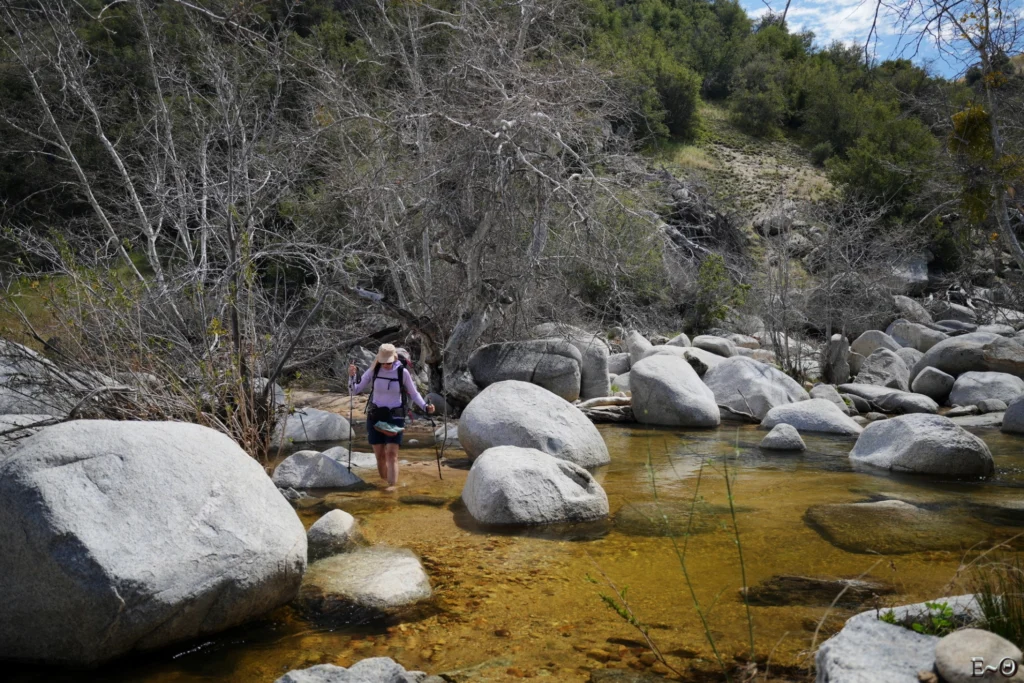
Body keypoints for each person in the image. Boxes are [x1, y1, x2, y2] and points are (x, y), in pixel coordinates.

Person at [349, 343, 434, 490]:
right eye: (383, 362)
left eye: (389, 362)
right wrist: (352, 376)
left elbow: (414, 393)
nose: (386, 365)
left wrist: (425, 407)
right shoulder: (373, 371)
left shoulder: (402, 372)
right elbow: (354, 391)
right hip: (375, 416)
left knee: (392, 454)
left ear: (394, 358)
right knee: (380, 456)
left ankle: (391, 487)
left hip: (395, 417)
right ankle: (383, 484)